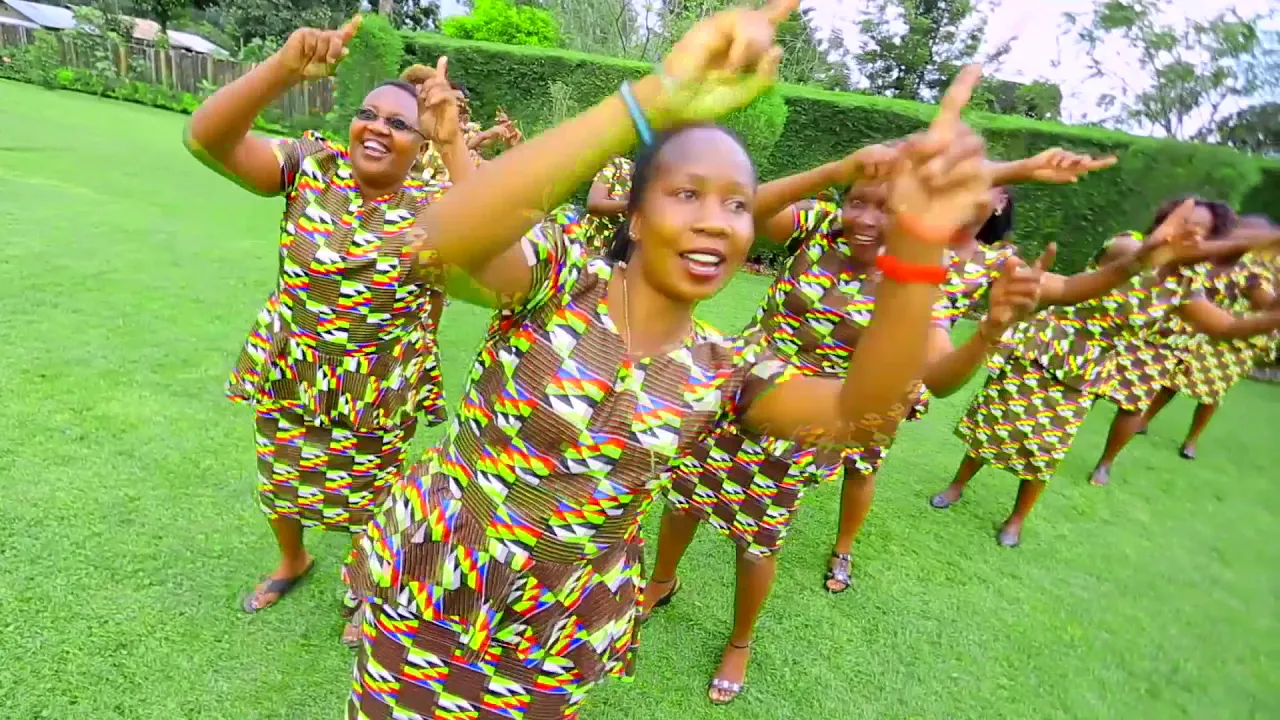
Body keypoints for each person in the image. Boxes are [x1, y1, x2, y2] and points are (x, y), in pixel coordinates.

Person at [344, 2, 994, 716]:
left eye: (739, 205)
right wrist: (653, 94)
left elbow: (858, 413)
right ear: (638, 215)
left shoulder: (727, 368)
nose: (717, 218)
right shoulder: (561, 280)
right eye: (688, 194)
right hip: (438, 568)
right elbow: (436, 239)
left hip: (558, 621)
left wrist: (921, 248)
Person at [184, 18, 470, 644]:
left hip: (378, 378)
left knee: (371, 499)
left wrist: (452, 143)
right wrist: (284, 68)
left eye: (400, 124)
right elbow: (205, 138)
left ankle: (363, 587)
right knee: (281, 475)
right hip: (292, 361)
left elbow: (498, 232)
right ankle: (293, 560)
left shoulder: (436, 208)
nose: (378, 128)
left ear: (420, 146)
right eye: (370, 114)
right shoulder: (310, 166)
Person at [930, 199, 1280, 547]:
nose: (1190, 234)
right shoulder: (1127, 244)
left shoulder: (1184, 288)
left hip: (1088, 369)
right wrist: (1236, 242)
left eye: (1201, 232)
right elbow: (1135, 257)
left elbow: (1227, 327)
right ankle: (956, 486)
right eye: (1185, 224)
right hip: (1046, 345)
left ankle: (1016, 519)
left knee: (1048, 444)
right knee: (995, 419)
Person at [1086, 202, 1280, 485]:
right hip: (1116, 331)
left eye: (1203, 228)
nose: (1195, 232)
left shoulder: (1243, 272)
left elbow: (1254, 309)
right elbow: (1154, 257)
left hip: (1167, 342)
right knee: (1086, 386)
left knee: (1133, 403)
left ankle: (1105, 463)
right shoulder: (1136, 244)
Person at [1136, 216, 1280, 458]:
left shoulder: (1265, 268)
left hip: (1240, 341)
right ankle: (1144, 419)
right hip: (1206, 327)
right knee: (1175, 378)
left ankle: (1191, 440)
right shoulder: (1232, 262)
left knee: (1213, 392)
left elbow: (1265, 305)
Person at [583, 155, 635, 254]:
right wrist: (633, 205)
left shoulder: (658, 192)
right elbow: (594, 203)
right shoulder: (620, 166)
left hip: (612, 256)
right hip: (585, 236)